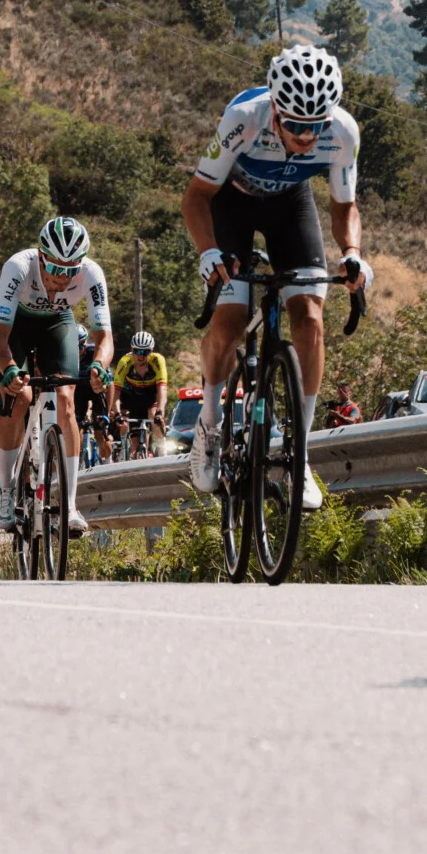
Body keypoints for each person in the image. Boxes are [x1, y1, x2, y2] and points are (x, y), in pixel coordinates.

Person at [181, 42, 371, 511]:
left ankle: (300, 453)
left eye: (315, 127)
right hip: (232, 203)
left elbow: (344, 205)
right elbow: (197, 197)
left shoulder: (343, 132)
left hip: (291, 204)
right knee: (229, 319)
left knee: (309, 317)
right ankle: (209, 423)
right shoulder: (243, 118)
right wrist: (209, 253)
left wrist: (351, 254)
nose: (306, 138)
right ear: (275, 109)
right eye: (295, 126)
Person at [0, 215, 113, 538]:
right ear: (41, 256)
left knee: (66, 399)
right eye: (56, 269)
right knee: (20, 397)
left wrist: (99, 365)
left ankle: (70, 505)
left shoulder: (92, 274)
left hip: (57, 323)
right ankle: (4, 489)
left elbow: (105, 339)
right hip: (17, 325)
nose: (62, 278)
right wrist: (10, 370)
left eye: (70, 272)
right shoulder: (18, 267)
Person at [110, 330, 168, 457]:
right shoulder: (125, 362)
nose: (141, 356)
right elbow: (116, 392)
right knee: (126, 427)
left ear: (151, 351)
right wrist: (117, 413)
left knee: (155, 417)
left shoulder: (158, 361)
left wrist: (160, 412)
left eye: (145, 352)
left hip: (150, 395)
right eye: (137, 351)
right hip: (131, 395)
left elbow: (162, 389)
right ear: (132, 349)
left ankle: (162, 450)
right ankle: (124, 447)